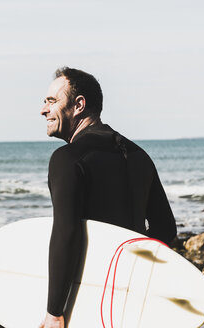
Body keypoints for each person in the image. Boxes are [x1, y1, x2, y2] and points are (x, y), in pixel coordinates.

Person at [38, 67, 177, 328]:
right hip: (128, 302)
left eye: (52, 101)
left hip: (88, 300)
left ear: (79, 105)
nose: (43, 110)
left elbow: (66, 233)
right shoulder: (139, 156)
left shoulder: (67, 159)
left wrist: (54, 311)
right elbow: (166, 229)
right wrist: (132, 268)